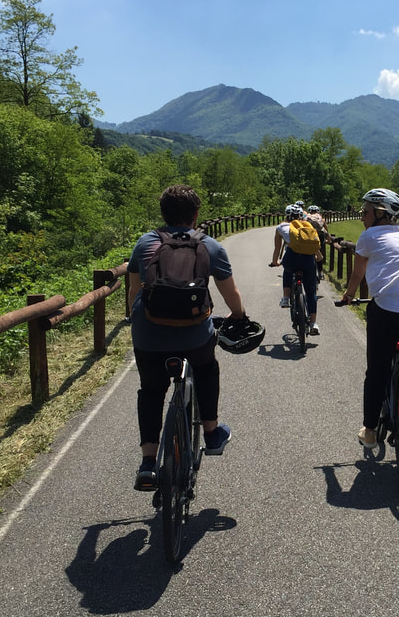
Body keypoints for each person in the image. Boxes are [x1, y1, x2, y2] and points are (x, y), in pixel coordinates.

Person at [127, 184, 248, 491]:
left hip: (148, 333)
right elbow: (230, 292)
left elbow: (133, 292)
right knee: (206, 368)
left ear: (163, 213)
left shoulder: (145, 243)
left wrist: (135, 319)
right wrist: (239, 315)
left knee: (152, 391)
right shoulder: (209, 246)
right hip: (194, 334)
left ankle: (147, 464)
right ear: (196, 215)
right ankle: (211, 433)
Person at [339, 188, 399, 449]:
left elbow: (358, 275)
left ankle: (369, 430)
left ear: (381, 213)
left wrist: (348, 295)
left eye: (365, 211)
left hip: (387, 311)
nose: (362, 216)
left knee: (377, 372)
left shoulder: (369, 236)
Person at [271, 203, 322, 335]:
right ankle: (313, 323)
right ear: (301, 215)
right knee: (311, 293)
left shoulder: (281, 227)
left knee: (287, 270)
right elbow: (312, 244)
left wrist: (274, 261)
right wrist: (319, 256)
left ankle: (286, 298)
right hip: (308, 260)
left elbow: (277, 248)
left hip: (292, 257)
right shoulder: (307, 226)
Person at [305, 205, 329, 278]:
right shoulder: (321, 219)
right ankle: (320, 272)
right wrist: (328, 239)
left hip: (310, 236)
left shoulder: (306, 218)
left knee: (309, 253)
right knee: (319, 254)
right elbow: (326, 229)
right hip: (320, 236)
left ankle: (307, 270)